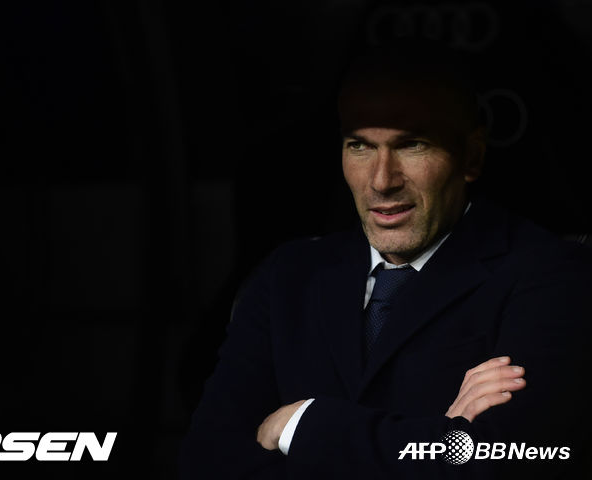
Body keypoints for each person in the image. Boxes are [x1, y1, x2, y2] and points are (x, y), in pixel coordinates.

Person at [180, 41, 592, 478]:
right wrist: (440, 440)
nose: (381, 180)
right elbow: (207, 461)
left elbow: (518, 459)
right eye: (359, 146)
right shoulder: (289, 274)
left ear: (470, 156)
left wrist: (301, 424)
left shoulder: (552, 276)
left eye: (412, 145)